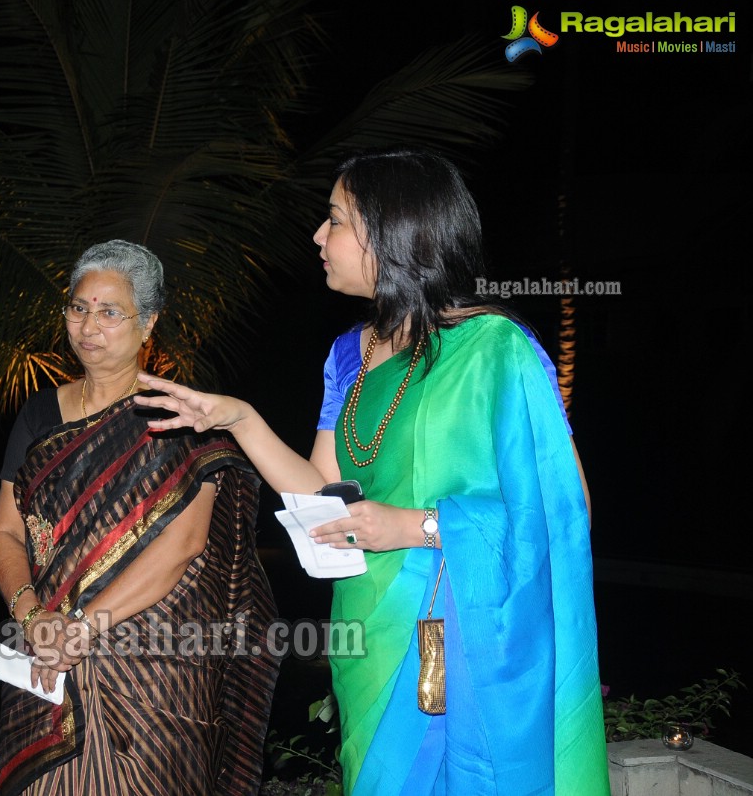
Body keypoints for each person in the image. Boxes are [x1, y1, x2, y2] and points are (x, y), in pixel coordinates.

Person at [134, 147, 609, 794]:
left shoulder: (495, 350)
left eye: (333, 220)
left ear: (390, 233)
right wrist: (239, 418)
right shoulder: (345, 355)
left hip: (462, 630)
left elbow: (562, 508)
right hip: (369, 633)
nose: (317, 236)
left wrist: (415, 525)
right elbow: (321, 492)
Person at [0, 239, 281, 795]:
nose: (88, 325)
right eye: (78, 307)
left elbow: (184, 544)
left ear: (148, 325)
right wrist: (33, 620)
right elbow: (6, 529)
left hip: (153, 671)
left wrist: (81, 628)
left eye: (109, 312)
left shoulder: (181, 414)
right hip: (46, 654)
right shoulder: (37, 416)